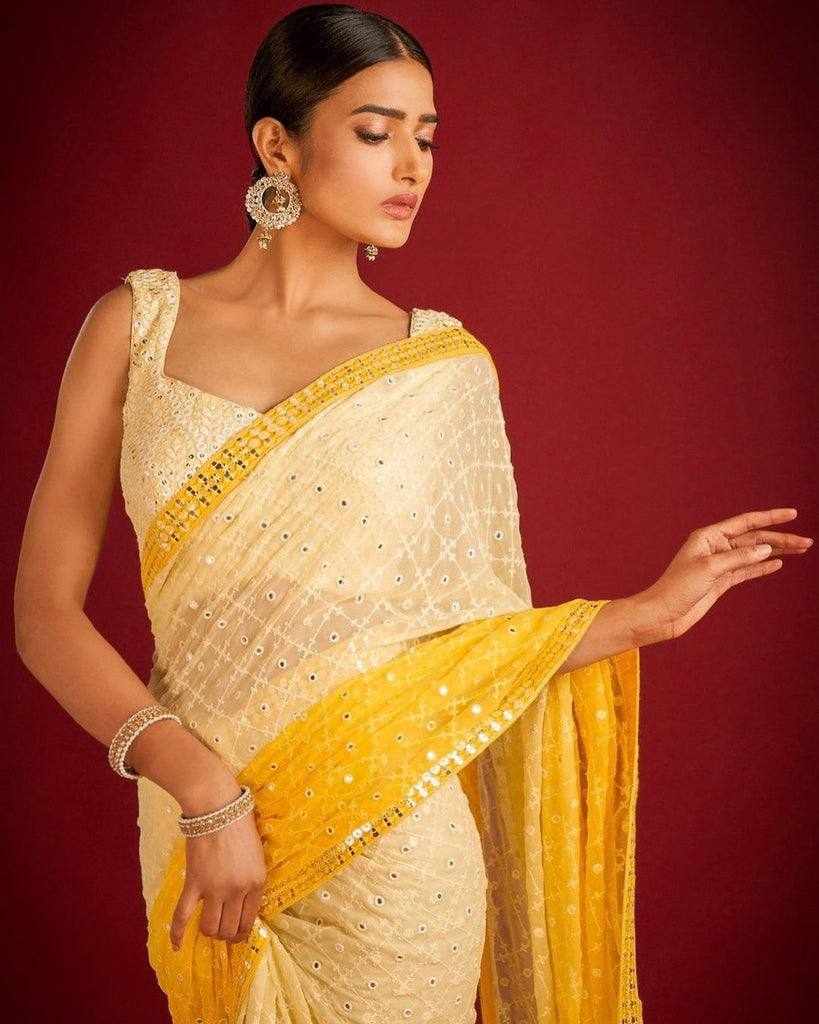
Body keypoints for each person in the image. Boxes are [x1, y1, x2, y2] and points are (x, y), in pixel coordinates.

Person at [13, 5, 812, 1023]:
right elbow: (44, 613)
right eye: (375, 132)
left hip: (391, 845)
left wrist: (643, 614)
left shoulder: (440, 368)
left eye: (426, 139)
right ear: (278, 145)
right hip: (199, 828)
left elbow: (471, 648)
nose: (413, 167)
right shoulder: (136, 326)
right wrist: (199, 785)